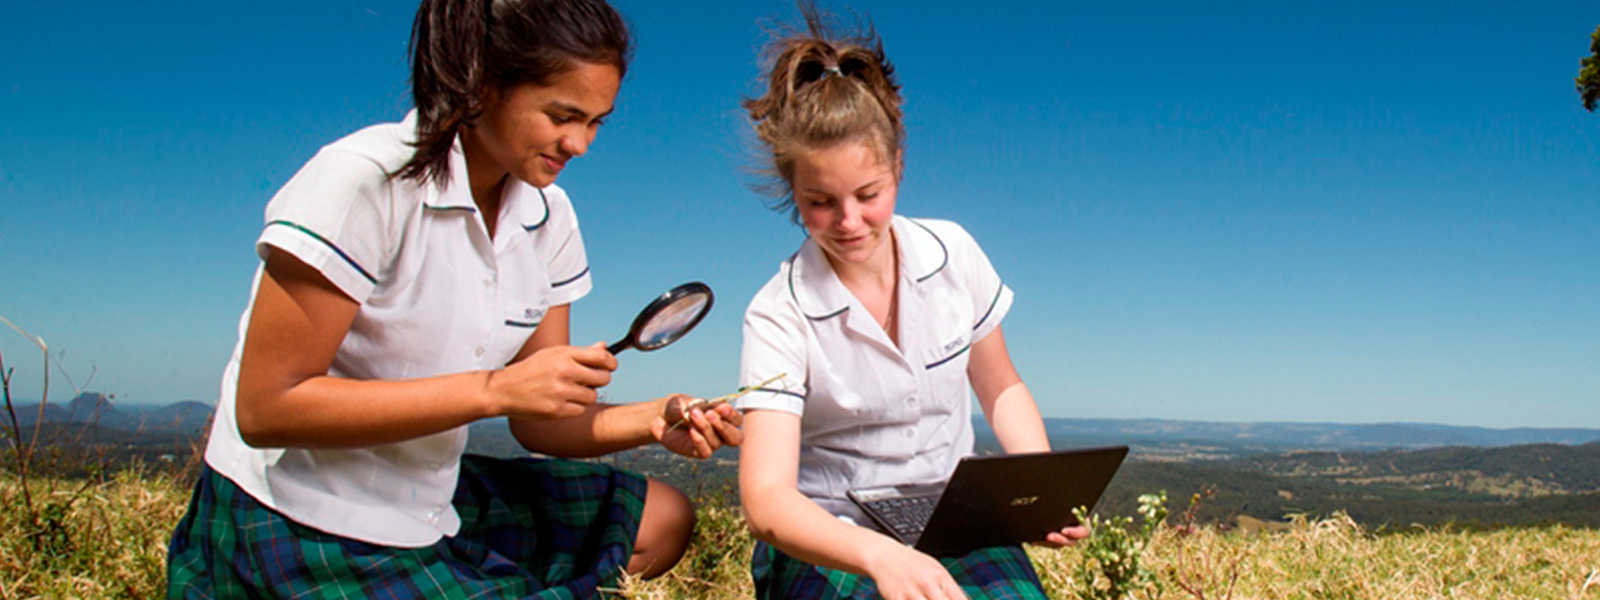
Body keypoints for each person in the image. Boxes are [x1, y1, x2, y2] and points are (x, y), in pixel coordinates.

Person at [163, 1, 742, 597]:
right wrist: (494, 390)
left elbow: (538, 425)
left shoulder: (550, 217)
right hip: (300, 512)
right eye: (562, 115)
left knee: (661, 518)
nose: (580, 144)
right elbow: (266, 410)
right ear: (481, 82)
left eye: (597, 121)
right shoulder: (362, 182)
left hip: (428, 496)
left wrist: (654, 418)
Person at [730, 6, 1088, 600]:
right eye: (820, 201)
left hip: (956, 518)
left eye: (868, 194)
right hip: (831, 533)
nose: (848, 222)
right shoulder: (777, 314)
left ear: (898, 168)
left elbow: (1000, 387)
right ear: (792, 190)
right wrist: (879, 558)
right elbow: (768, 502)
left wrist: (1037, 485)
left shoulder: (955, 252)